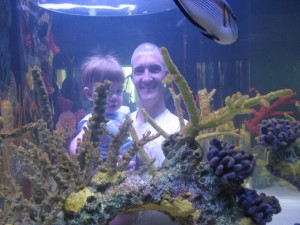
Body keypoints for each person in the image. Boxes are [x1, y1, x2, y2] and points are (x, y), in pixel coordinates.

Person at [111, 43, 182, 225]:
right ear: (132, 77)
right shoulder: (117, 126)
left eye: (154, 69)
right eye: (139, 71)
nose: (147, 77)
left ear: (166, 75)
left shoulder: (182, 129)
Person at [69, 54, 132, 161]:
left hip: (130, 170)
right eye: (107, 92)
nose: (114, 97)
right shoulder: (93, 122)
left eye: (118, 91)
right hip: (107, 171)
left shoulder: (125, 111)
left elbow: (134, 133)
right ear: (89, 94)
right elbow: (74, 147)